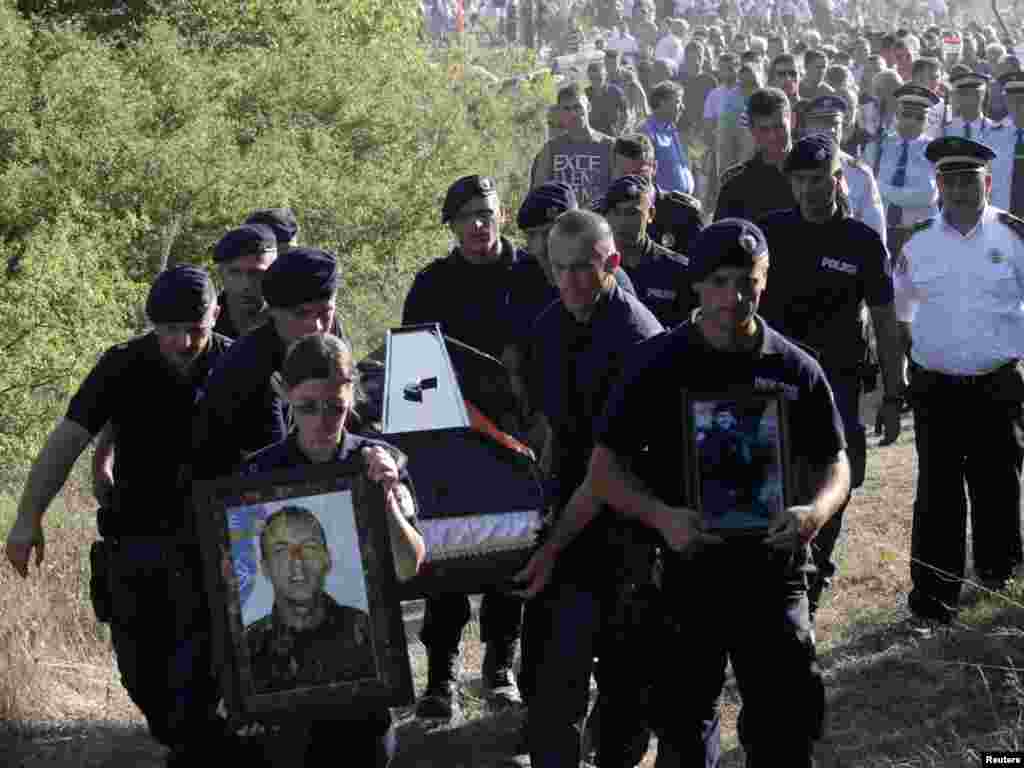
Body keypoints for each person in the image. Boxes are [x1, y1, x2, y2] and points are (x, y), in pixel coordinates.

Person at [584, 218, 850, 767]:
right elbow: (605, 472)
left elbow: (836, 462)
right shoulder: (656, 364)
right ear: (697, 285)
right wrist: (662, 517)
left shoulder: (796, 369)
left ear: (765, 279)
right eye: (720, 281)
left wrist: (814, 512)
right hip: (685, 572)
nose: (734, 296)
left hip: (774, 572)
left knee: (786, 730)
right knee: (683, 732)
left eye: (747, 280)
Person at [5, 266, 234, 767]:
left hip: (214, 546)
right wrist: (28, 517)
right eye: (167, 329)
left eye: (193, 327)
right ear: (151, 324)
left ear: (215, 314)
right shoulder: (121, 365)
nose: (181, 341)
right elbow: (67, 439)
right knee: (144, 678)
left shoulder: (239, 365)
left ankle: (205, 749)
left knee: (199, 683)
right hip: (136, 541)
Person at [514, 209, 664, 768]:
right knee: (552, 680)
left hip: (630, 523)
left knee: (626, 686)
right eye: (560, 268)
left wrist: (551, 546)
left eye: (585, 268)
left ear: (614, 263)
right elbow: (547, 431)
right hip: (569, 517)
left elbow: (609, 472)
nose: (572, 281)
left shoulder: (638, 340)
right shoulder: (548, 326)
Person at [241, 332, 425, 766]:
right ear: (284, 395)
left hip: (365, 673)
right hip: (283, 687)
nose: (323, 421)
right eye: (307, 407)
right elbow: (241, 585)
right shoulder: (257, 476)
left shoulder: (379, 464)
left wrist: (385, 497)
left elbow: (407, 567)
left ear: (352, 400)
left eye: (336, 408)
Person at [403, 175, 548, 719]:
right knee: (445, 558)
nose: (478, 225)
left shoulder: (531, 274)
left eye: (486, 213)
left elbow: (551, 348)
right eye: (466, 217)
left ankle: (499, 668)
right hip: (449, 440)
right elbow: (412, 372)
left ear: (502, 215)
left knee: (511, 555)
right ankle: (440, 678)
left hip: (518, 438)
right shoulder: (431, 283)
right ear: (453, 225)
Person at [757, 134, 906, 617]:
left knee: (835, 481)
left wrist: (893, 391)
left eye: (817, 179)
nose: (808, 189)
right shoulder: (770, 233)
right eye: (799, 180)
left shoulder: (862, 242)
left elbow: (884, 320)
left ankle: (814, 571)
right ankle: (779, 575)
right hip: (772, 382)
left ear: (837, 180)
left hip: (838, 384)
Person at [894, 136, 1024, 624]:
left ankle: (1000, 588)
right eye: (951, 180)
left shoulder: (1014, 237)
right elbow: (901, 313)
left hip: (998, 384)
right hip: (937, 388)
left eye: (970, 180)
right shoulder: (917, 240)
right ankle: (933, 596)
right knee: (937, 494)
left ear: (988, 182)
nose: (961, 189)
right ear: (938, 185)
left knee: (999, 488)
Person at [192, 247, 342, 482]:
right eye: (301, 314)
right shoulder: (248, 367)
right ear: (273, 312)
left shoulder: (327, 341)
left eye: (325, 313)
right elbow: (277, 470)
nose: (317, 326)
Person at [246, 506, 376, 692]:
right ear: (265, 568)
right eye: (281, 551)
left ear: (327, 559)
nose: (297, 562)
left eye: (309, 547)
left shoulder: (365, 631)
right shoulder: (247, 648)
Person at [596, 174, 696, 328]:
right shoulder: (596, 268)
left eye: (632, 213)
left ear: (651, 214)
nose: (623, 222)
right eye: (616, 212)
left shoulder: (679, 271)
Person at [865, 84, 941, 256]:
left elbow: (927, 195)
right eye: (907, 115)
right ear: (897, 115)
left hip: (918, 234)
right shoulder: (877, 147)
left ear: (927, 120)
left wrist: (878, 187)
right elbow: (864, 188)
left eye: (920, 117)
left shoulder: (935, 151)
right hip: (880, 230)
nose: (912, 121)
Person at [802, 94, 887, 245]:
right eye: (822, 123)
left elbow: (875, 232)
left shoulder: (860, 173)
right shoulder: (792, 169)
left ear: (844, 128)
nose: (831, 130)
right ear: (807, 127)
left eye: (835, 123)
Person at [715, 88, 798, 222]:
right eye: (764, 129)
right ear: (752, 130)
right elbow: (723, 238)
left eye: (779, 127)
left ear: (792, 121)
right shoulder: (736, 185)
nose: (773, 136)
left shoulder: (815, 172)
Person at [612, 133, 704, 252]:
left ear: (654, 167)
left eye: (639, 175)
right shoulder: (602, 212)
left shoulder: (684, 214)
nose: (632, 184)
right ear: (613, 170)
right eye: (624, 175)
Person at [532, 83, 617, 206]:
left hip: (599, 221)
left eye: (577, 107)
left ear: (588, 107)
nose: (573, 114)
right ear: (560, 112)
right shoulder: (551, 148)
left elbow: (618, 192)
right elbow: (539, 193)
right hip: (563, 221)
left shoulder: (609, 146)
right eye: (567, 109)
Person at [211, 223, 279, 339]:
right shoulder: (204, 325)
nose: (246, 284)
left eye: (257, 274)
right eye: (235, 273)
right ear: (221, 274)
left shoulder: (291, 324)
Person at [640, 80, 696, 194]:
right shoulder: (647, 132)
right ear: (662, 103)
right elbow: (644, 174)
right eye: (677, 102)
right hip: (665, 205)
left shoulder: (671, 129)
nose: (682, 107)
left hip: (683, 202)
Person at [990, 71, 1024, 217]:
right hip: (1003, 216)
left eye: (1022, 100)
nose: (1017, 106)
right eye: (1012, 100)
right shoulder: (991, 135)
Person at [944, 69, 998, 140]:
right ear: (957, 97)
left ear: (983, 96)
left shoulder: (993, 129)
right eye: (964, 94)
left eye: (974, 94)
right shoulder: (947, 131)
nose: (969, 100)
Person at [587, 60, 630, 137]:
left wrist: (619, 131)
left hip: (612, 135)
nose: (595, 81)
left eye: (599, 77)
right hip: (593, 137)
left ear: (605, 75)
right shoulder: (585, 94)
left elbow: (626, 114)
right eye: (592, 78)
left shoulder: (616, 91)